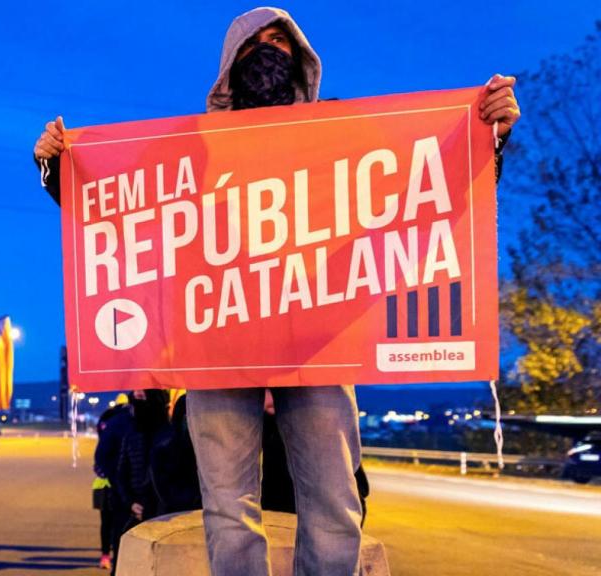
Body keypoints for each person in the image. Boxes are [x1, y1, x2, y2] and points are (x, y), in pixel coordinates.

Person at [34, 7, 520, 575]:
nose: (267, 51)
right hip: (215, 340)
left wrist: (485, 137)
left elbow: (421, 187)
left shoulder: (340, 135)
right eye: (253, 43)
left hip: (319, 341)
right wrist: (59, 170)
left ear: (302, 58)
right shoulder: (190, 147)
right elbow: (127, 214)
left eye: (280, 41)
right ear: (229, 63)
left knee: (334, 499)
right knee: (226, 508)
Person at [113, 389, 170, 572]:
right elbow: (121, 473)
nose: (137, 404)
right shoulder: (131, 435)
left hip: (163, 513)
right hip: (134, 510)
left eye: (141, 397)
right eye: (135, 398)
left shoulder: (169, 437)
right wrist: (131, 503)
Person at [92, 393, 133, 571]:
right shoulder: (129, 423)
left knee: (107, 522)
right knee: (122, 524)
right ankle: (120, 558)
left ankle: (105, 556)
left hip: (104, 482)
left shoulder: (106, 419)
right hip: (123, 484)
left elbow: (100, 458)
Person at [149, 394, 202, 516]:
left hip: (198, 511)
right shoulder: (165, 446)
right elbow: (165, 490)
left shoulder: (203, 444)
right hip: (178, 514)